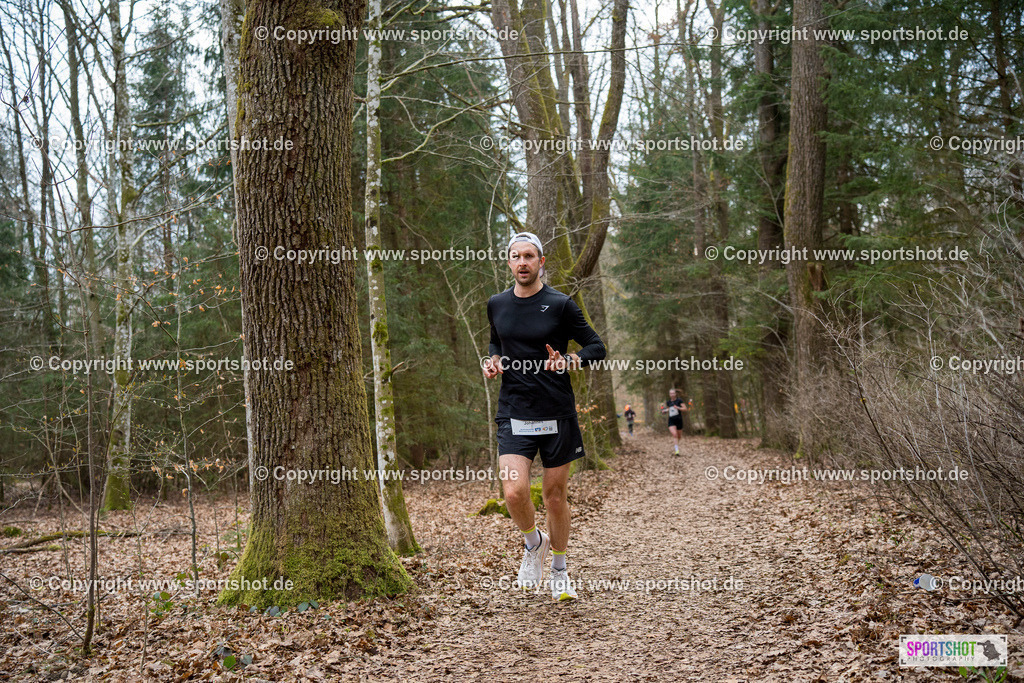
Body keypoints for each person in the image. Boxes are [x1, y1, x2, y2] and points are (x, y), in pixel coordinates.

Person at [482, 231, 606, 601]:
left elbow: (596, 347)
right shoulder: (496, 304)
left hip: (556, 412)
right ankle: (533, 543)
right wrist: (494, 360)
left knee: (554, 496)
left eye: (529, 256)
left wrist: (570, 360)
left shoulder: (561, 304)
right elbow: (495, 340)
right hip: (513, 410)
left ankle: (560, 568)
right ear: (509, 262)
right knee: (514, 491)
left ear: (541, 262)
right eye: (516, 256)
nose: (522, 262)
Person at [659, 388, 688, 455]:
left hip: (679, 420)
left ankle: (676, 446)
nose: (672, 395)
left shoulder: (679, 401)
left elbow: (685, 409)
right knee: (674, 434)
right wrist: (664, 411)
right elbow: (668, 409)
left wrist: (678, 408)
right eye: (671, 393)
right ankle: (677, 450)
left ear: (675, 394)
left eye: (673, 393)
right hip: (671, 420)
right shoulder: (668, 402)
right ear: (669, 394)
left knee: (679, 436)